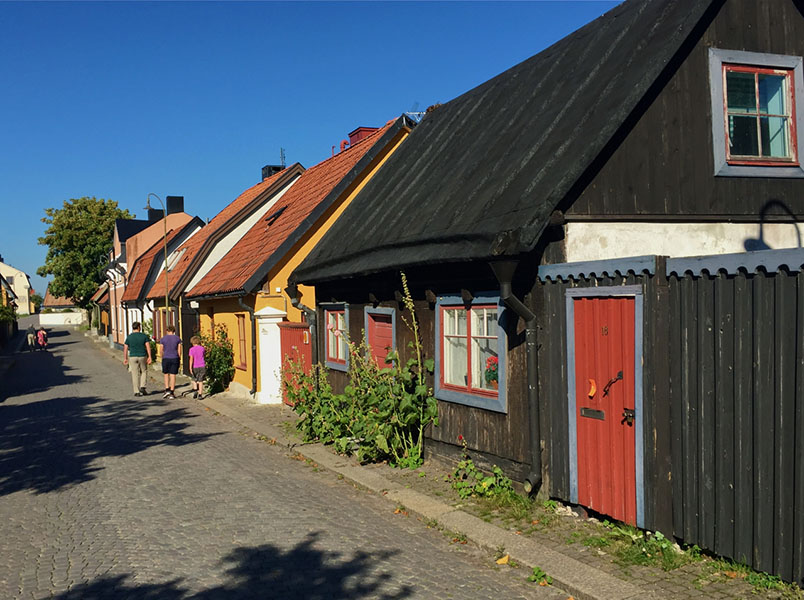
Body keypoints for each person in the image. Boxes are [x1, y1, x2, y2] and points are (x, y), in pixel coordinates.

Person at [123, 321, 152, 397]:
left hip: (133, 356)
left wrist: (125, 358)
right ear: (139, 327)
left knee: (135, 373)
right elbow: (148, 346)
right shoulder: (144, 336)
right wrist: (150, 356)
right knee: (144, 371)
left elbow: (125, 348)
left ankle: (136, 391)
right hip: (142, 355)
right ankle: (142, 386)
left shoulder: (129, 337)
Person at [158, 325, 182, 399]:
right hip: (174, 357)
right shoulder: (178, 339)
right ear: (174, 331)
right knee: (173, 375)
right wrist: (179, 357)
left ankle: (167, 389)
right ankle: (172, 392)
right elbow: (179, 350)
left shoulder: (163, 339)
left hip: (166, 358)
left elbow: (161, 350)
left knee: (166, 374)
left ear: (167, 331)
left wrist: (162, 357)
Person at [188, 335, 206, 399]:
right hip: (202, 365)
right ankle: (200, 394)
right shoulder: (202, 348)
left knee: (194, 379)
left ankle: (195, 390)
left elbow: (191, 359)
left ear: (192, 342)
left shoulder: (191, 349)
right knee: (201, 380)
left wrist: (190, 367)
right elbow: (204, 355)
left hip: (195, 366)